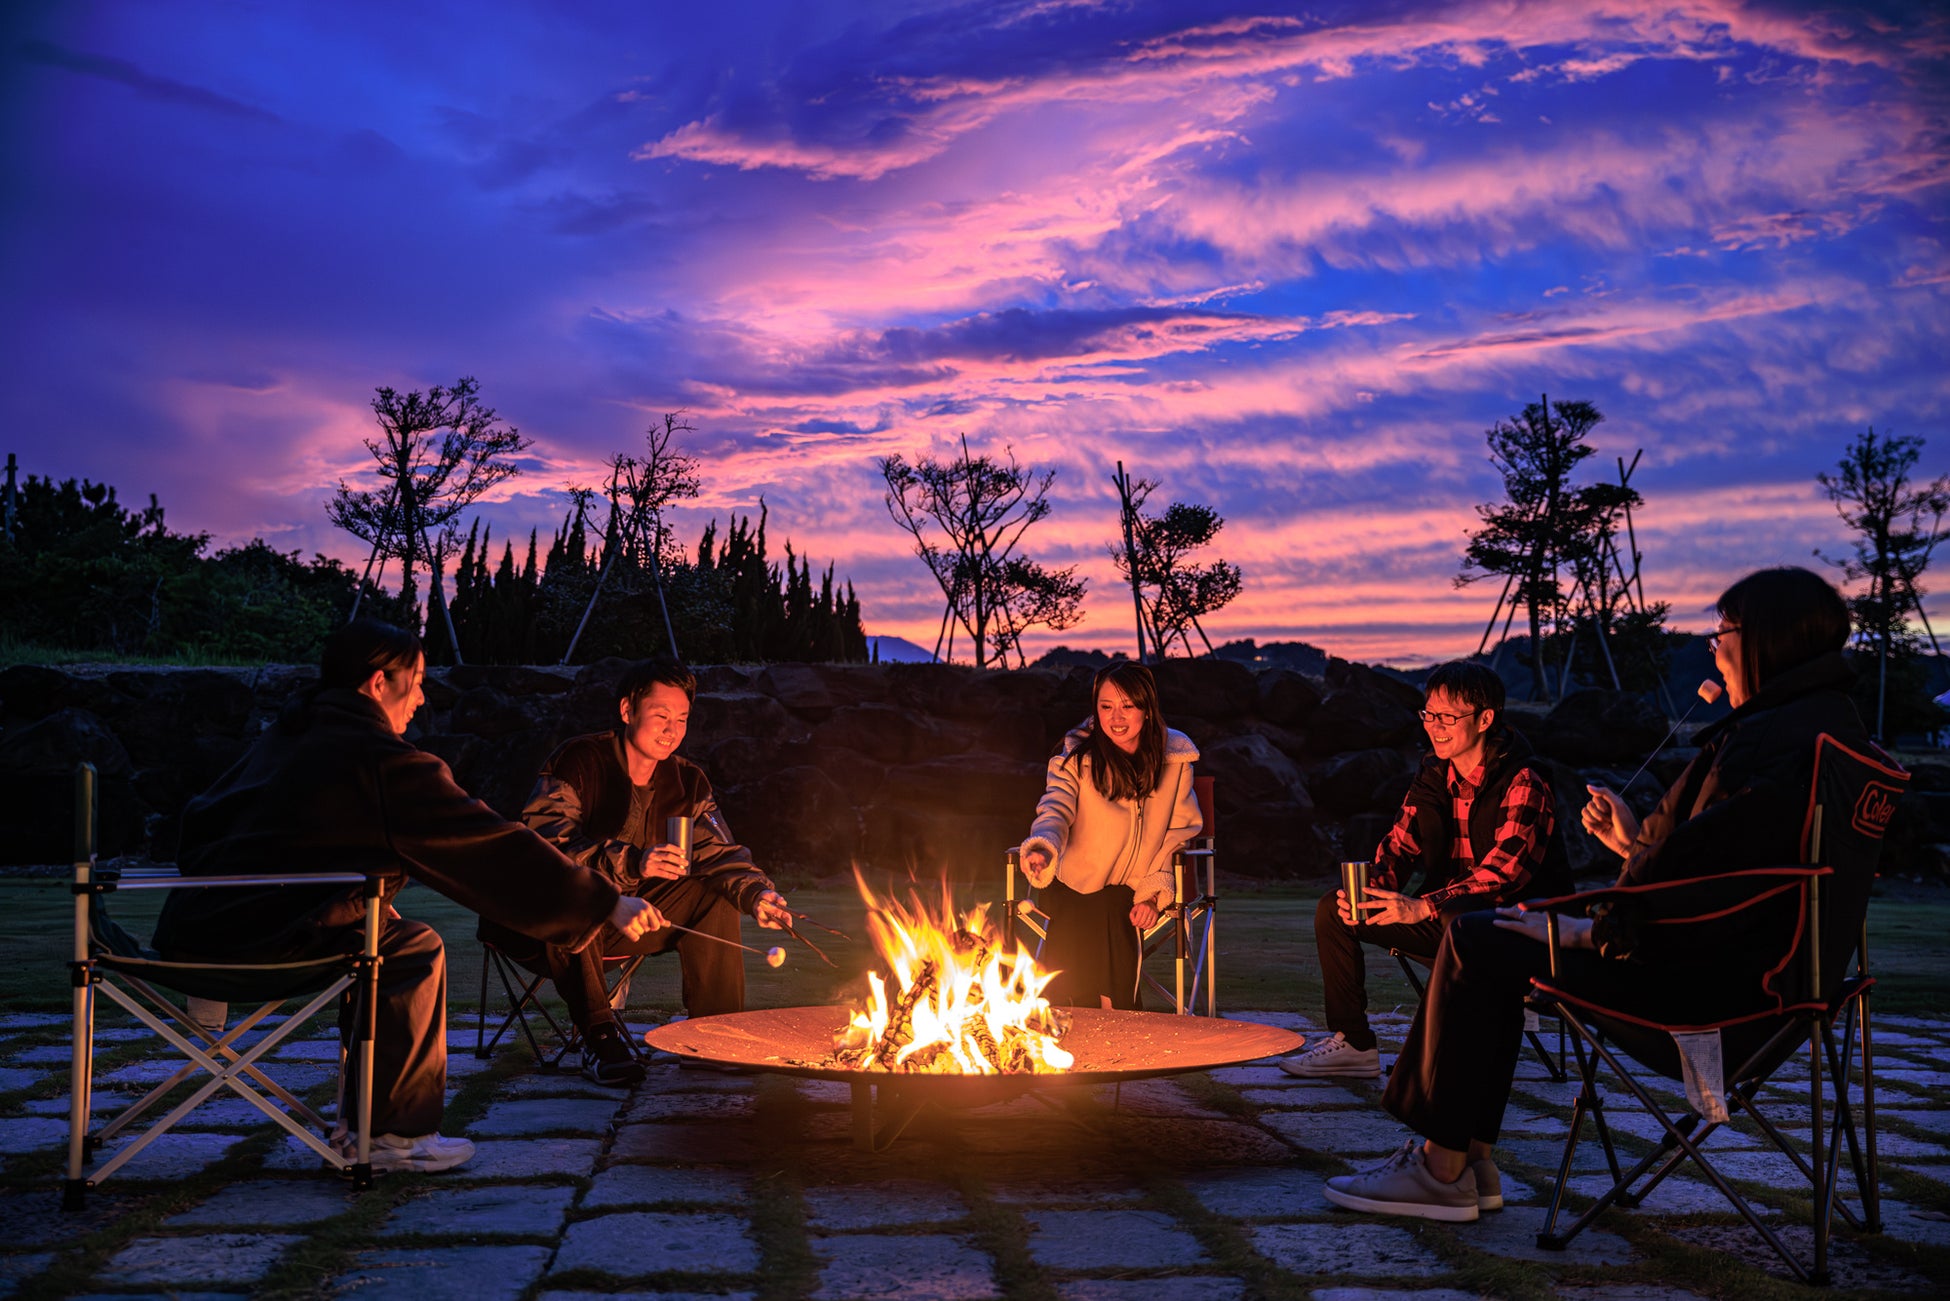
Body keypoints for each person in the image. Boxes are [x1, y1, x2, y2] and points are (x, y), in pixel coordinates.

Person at [1324, 566, 1868, 1223]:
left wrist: (1593, 929)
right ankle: (1471, 1157)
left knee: (1479, 936)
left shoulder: (1767, 745)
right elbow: (1730, 873)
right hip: (1771, 982)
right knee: (1488, 933)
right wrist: (1633, 844)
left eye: (1722, 634)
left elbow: (1710, 884)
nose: (1714, 650)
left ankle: (1442, 1166)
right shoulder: (1821, 731)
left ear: (1767, 641)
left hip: (1704, 990)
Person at [153, 621, 660, 1174]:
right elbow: (490, 847)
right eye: (416, 681)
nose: (422, 697)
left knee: (375, 930)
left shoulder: (286, 738)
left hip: (194, 935)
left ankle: (366, 1122)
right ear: (378, 683)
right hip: (272, 942)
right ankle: (394, 1136)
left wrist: (341, 892)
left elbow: (206, 823)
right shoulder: (380, 760)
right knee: (412, 949)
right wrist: (603, 902)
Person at [481, 657, 791, 1085]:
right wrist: (632, 862)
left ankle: (714, 1034)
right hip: (542, 922)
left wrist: (757, 894)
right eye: (660, 716)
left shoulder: (687, 782)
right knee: (574, 895)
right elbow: (546, 845)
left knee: (711, 893)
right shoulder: (580, 761)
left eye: (682, 718)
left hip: (632, 920)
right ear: (627, 711)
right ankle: (599, 1035)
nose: (672, 730)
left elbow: (719, 855)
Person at [1284, 661, 1570, 1078]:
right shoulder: (1434, 773)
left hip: (1517, 931)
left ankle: (1464, 1035)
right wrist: (1371, 890)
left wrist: (1423, 906)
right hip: (1450, 920)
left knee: (1459, 918)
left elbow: (1504, 873)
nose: (1435, 726)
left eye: (1447, 717)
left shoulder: (1523, 780)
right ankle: (1355, 1044)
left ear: (1485, 718)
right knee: (1335, 908)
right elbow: (1400, 843)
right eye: (1429, 714)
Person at [1016, 662, 1202, 1010]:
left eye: (1127, 706)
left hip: (1133, 892)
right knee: (1090, 908)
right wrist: (1043, 846)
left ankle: (1092, 1016)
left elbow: (1178, 833)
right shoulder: (1076, 758)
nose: (1116, 717)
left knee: (1112, 908)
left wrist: (1153, 895)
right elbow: (1056, 808)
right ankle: (1098, 1014)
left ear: (1147, 710)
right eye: (1106, 706)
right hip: (1072, 883)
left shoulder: (1175, 762)